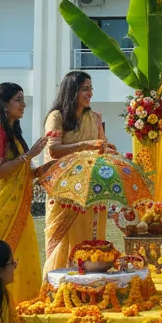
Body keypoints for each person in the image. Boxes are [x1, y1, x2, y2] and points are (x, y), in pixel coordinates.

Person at [0, 83, 49, 305]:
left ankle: (20, 309)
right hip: (0, 209)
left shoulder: (11, 132)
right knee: (0, 260)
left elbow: (20, 171)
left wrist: (47, 169)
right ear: (4, 104)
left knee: (22, 258)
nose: (23, 105)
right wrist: (30, 155)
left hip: (18, 209)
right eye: (18, 99)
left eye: (23, 100)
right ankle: (1, 308)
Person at [41, 71, 111, 273]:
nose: (90, 93)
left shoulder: (95, 118)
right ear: (72, 91)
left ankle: (90, 277)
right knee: (62, 238)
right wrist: (85, 145)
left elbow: (101, 146)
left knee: (91, 235)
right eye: (85, 89)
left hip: (91, 187)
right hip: (65, 190)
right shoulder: (57, 117)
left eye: (91, 89)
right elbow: (54, 150)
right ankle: (60, 281)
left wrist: (109, 150)